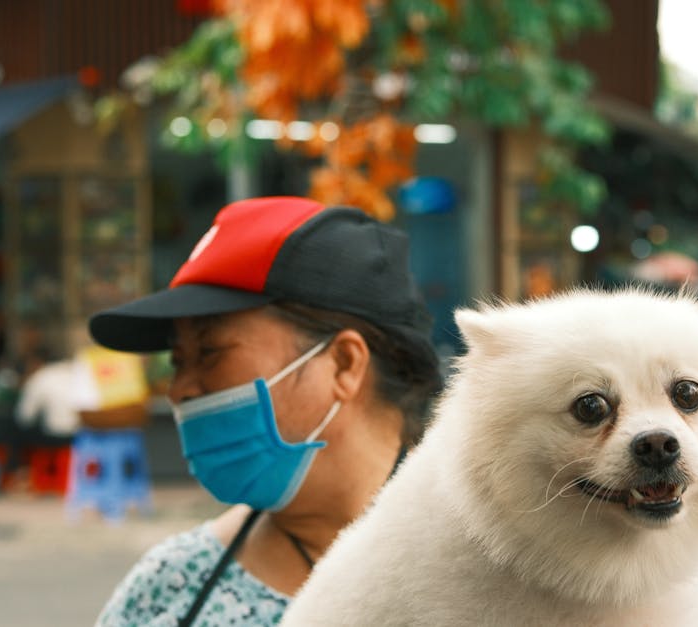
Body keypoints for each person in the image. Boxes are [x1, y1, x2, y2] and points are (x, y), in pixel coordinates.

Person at [89, 197, 442, 626]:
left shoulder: (504, 572)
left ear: (344, 364)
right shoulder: (171, 587)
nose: (179, 389)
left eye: (210, 351)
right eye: (178, 360)